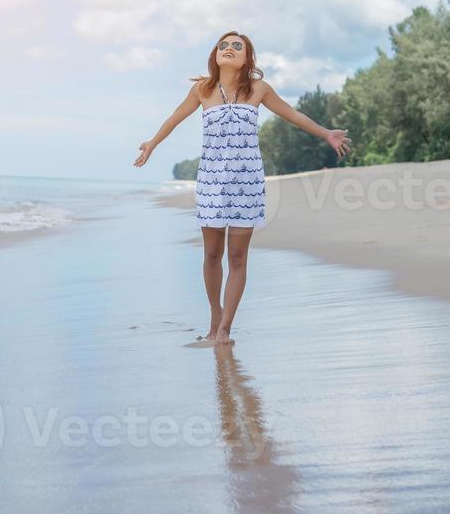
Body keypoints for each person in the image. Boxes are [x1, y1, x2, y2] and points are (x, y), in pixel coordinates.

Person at [133, 31, 351, 346]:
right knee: (211, 255)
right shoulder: (202, 90)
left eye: (238, 46)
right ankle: (214, 316)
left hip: (246, 183)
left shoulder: (259, 90)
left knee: (237, 256)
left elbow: (293, 115)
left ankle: (224, 329)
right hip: (211, 181)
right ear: (215, 54)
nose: (230, 48)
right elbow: (175, 118)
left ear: (247, 57)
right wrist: (152, 143)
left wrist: (325, 133)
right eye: (224, 45)